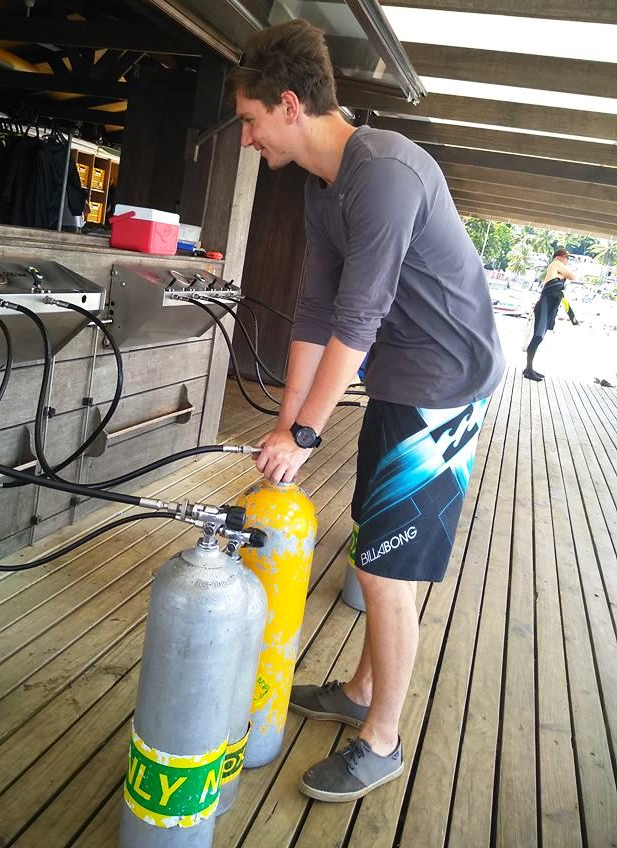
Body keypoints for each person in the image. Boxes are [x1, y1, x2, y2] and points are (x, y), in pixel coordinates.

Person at [228, 19, 505, 803]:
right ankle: (356, 693)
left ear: (289, 105)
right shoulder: (323, 190)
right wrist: (286, 425)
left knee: (387, 566)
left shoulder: (383, 172)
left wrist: (307, 433)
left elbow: (357, 318)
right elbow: (315, 313)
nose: (246, 138)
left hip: (445, 384)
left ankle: (382, 740)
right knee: (373, 541)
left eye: (249, 119)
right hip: (399, 378)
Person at [523, 248, 578, 381]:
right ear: (558, 257)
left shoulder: (558, 270)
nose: (567, 260)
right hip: (545, 305)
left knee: (539, 336)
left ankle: (528, 368)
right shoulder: (555, 264)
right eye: (566, 257)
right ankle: (528, 370)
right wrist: (563, 274)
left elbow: (563, 293)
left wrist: (572, 317)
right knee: (538, 337)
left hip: (549, 307)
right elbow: (573, 276)